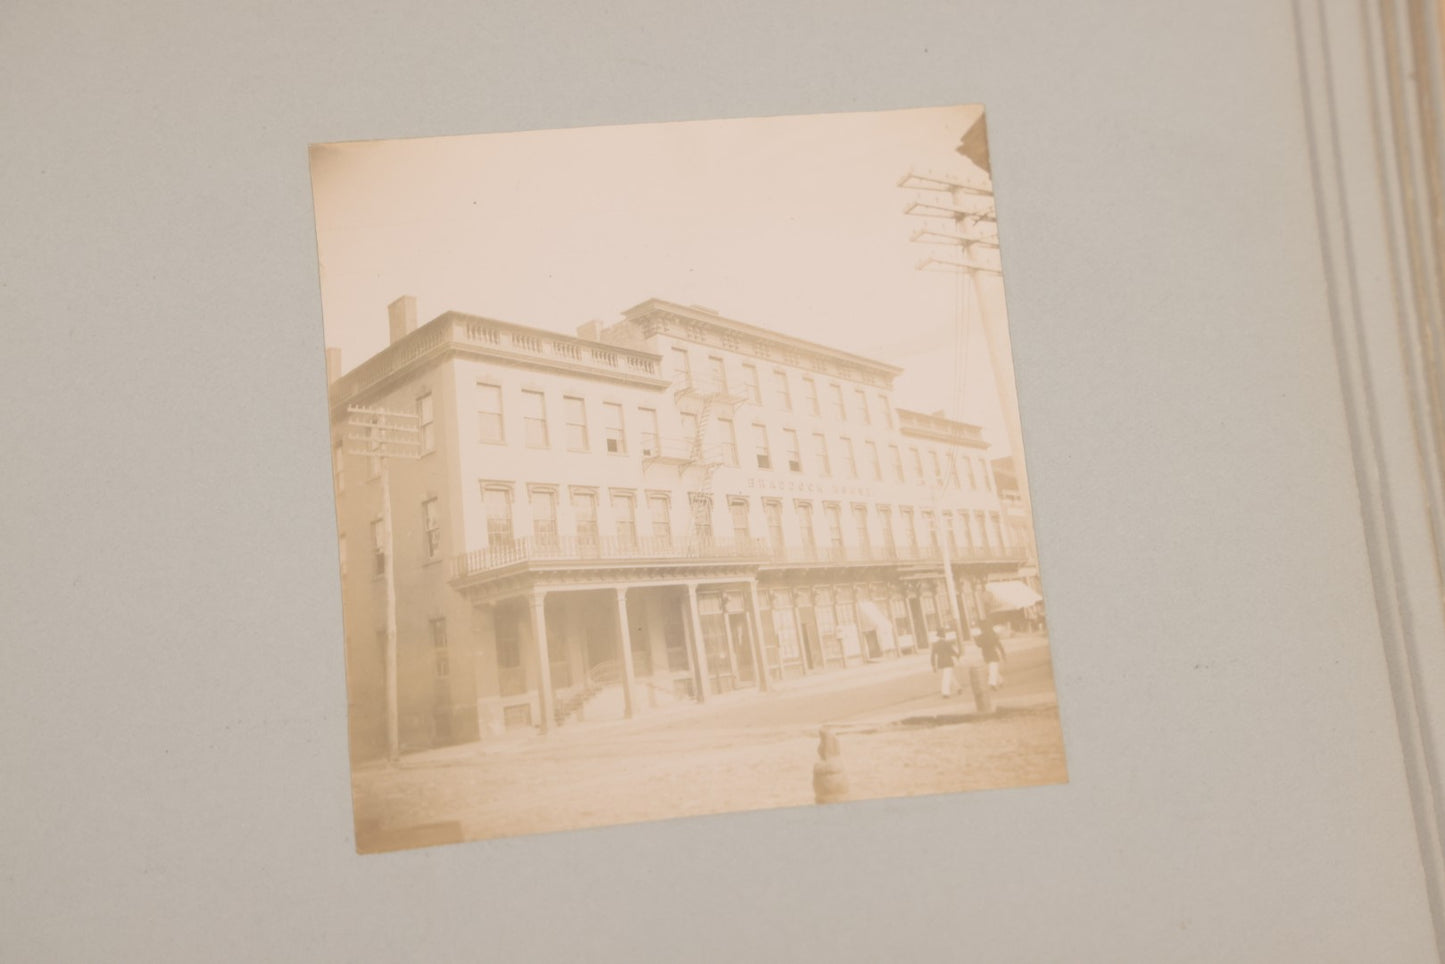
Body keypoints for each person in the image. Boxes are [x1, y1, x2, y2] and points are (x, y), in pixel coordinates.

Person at [976, 618, 1006, 689]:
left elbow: (978, 644)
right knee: (993, 668)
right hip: (992, 653)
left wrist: (977, 640)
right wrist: (1003, 653)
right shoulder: (992, 634)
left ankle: (992, 683)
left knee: (992, 668)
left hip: (987, 654)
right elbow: (999, 644)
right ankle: (1000, 681)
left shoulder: (982, 635)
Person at [930, 627, 960, 697]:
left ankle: (958, 688)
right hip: (948, 662)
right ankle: (945, 692)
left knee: (950, 675)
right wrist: (958, 656)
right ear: (944, 635)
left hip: (940, 663)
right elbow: (953, 652)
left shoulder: (935, 644)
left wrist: (933, 665)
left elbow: (932, 655)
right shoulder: (947, 643)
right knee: (946, 677)